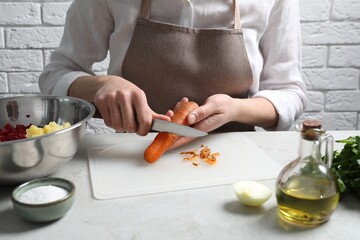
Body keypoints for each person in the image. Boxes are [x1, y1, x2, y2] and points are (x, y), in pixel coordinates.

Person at [39, 0, 307, 148]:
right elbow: (56, 74)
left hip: (234, 162)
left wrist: (236, 109)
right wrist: (100, 85)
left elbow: (289, 92)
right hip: (133, 160)